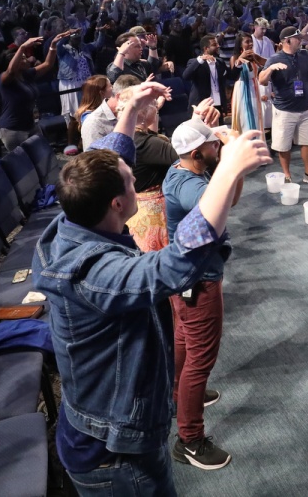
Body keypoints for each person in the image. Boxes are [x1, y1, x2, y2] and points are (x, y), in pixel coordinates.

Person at [33, 83, 270, 496]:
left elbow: (109, 159)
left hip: (107, 428)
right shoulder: (95, 272)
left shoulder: (73, 217)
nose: (137, 177)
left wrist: (130, 112)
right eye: (131, 180)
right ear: (117, 204)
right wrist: (228, 170)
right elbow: (175, 264)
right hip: (114, 452)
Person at [163, 120, 239, 471]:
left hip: (184, 277)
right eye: (212, 145)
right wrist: (232, 160)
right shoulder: (191, 186)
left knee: (183, 340)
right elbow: (216, 205)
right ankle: (189, 441)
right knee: (200, 361)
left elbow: (229, 199)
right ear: (197, 153)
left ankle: (178, 397)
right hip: (199, 280)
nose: (216, 146)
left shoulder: (182, 169)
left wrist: (231, 165)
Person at [257, 28, 308, 187]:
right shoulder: (275, 58)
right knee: (283, 145)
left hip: (305, 107)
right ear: (287, 41)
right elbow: (262, 80)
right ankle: (287, 176)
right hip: (284, 110)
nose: (300, 40)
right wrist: (270, 69)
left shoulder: (304, 55)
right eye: (297, 38)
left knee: (307, 142)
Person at [0, 33, 65, 152]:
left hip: (31, 125)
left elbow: (48, 64)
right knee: (23, 161)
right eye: (23, 58)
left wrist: (53, 44)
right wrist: (22, 47)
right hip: (13, 129)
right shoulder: (5, 79)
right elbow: (11, 71)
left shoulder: (27, 74)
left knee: (42, 156)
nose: (28, 59)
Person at [182, 35, 232, 114]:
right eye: (214, 45)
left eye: (217, 44)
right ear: (206, 48)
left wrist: (239, 64)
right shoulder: (195, 62)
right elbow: (185, 76)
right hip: (201, 105)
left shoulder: (220, 62)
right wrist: (200, 59)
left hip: (218, 104)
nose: (218, 46)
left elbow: (232, 76)